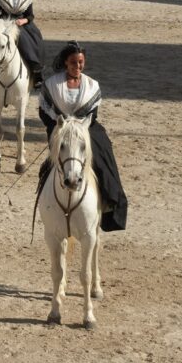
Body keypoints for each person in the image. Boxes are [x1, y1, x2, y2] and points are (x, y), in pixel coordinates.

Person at [38, 41, 127, 232]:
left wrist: (80, 125)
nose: (77, 67)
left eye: (80, 63)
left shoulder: (92, 85)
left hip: (86, 128)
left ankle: (111, 201)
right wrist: (58, 126)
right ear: (65, 63)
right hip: (59, 129)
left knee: (104, 152)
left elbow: (93, 114)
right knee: (50, 165)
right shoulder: (52, 85)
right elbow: (44, 112)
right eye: (73, 63)